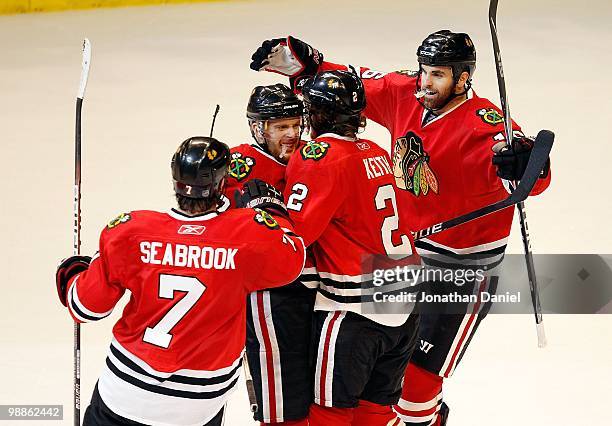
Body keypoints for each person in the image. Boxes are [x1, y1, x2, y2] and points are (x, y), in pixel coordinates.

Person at [249, 31, 552, 425]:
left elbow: (529, 180)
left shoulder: (487, 126)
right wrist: (310, 64)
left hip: (462, 270)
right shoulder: (405, 91)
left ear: (463, 79)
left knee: (416, 391)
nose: (426, 82)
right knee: (379, 385)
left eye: (439, 74)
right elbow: (352, 85)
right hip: (403, 263)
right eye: (425, 70)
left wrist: (527, 165)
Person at [55, 136, 306, 426]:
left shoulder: (130, 230)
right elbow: (293, 260)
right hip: (201, 400)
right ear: (222, 182)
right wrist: (271, 213)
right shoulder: (249, 234)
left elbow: (86, 308)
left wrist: (72, 271)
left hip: (126, 390)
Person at [282, 69, 420, 426]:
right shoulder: (374, 150)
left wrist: (263, 209)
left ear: (316, 114)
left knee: (329, 415)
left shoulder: (321, 156)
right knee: (375, 413)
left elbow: (295, 238)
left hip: (356, 311)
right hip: (406, 303)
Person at [224, 84, 317, 426]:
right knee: (282, 402)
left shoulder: (315, 156)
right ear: (258, 128)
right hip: (271, 296)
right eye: (281, 127)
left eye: (296, 124)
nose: (292, 134)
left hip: (323, 291)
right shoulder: (236, 164)